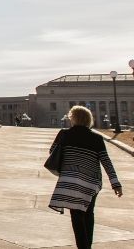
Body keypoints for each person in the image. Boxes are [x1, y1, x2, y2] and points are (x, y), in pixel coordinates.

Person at [48, 105, 123, 249]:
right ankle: (87, 245)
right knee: (88, 214)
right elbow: (106, 162)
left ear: (73, 118)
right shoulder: (96, 138)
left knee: (76, 216)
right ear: (89, 120)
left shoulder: (64, 134)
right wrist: (116, 184)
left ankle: (83, 247)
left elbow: (52, 152)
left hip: (70, 182)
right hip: (91, 183)